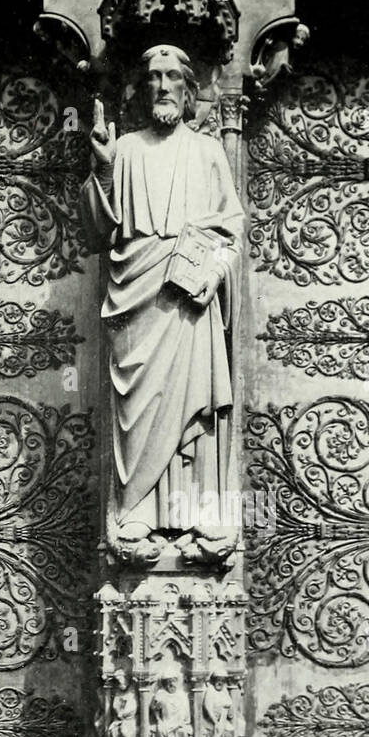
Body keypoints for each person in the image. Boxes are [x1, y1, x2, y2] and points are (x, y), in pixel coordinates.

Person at [80, 45, 242, 545]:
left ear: (190, 90)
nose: (163, 86)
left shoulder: (208, 152)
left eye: (174, 77)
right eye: (153, 78)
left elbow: (232, 229)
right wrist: (103, 170)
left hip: (191, 298)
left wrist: (212, 275)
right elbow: (95, 235)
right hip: (137, 295)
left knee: (195, 403)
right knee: (140, 406)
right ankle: (136, 510)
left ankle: (197, 511)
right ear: (142, 89)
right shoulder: (124, 148)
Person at [150, 667, 193, 737]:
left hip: (180, 723)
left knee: (181, 732)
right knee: (160, 730)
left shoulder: (182, 695)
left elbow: (186, 713)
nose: (171, 684)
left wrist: (181, 722)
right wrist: (158, 719)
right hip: (165, 721)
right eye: (168, 682)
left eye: (173, 681)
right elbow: (154, 708)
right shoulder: (161, 694)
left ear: (177, 682)